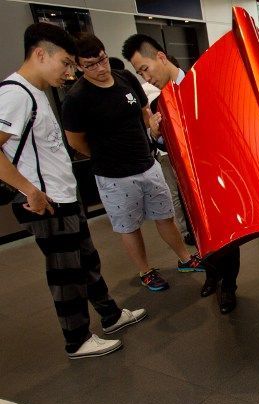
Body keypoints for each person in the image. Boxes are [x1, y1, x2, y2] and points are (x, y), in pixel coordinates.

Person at [0, 23, 146, 359]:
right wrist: (30, 191)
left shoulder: (34, 92)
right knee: (65, 273)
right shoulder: (15, 94)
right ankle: (77, 339)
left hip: (64, 197)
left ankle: (109, 316)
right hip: (44, 202)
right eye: (65, 62)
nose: (69, 72)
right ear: (41, 54)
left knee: (86, 262)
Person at [62, 34, 203, 292]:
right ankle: (145, 271)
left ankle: (185, 258)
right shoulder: (76, 98)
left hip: (147, 164)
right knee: (129, 226)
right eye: (91, 65)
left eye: (102, 59)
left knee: (165, 216)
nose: (100, 68)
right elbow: (75, 141)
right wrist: (103, 155)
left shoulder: (125, 78)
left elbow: (144, 110)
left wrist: (151, 130)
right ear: (79, 66)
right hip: (113, 175)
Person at [122, 33, 240, 314]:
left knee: (227, 237)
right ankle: (212, 275)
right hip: (187, 183)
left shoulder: (203, 85)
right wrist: (154, 133)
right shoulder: (159, 103)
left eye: (145, 69)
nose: (145, 78)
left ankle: (229, 287)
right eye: (139, 73)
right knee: (199, 234)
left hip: (218, 177)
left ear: (160, 57)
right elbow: (163, 144)